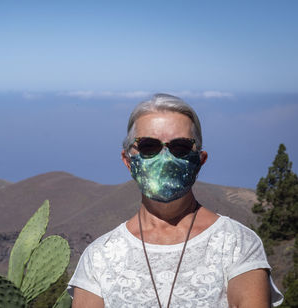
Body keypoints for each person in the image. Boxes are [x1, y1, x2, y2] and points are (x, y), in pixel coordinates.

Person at [68, 94, 283, 307]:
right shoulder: (100, 256)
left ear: (200, 160)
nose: (165, 159)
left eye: (180, 148)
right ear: (128, 160)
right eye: (148, 147)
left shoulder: (237, 244)